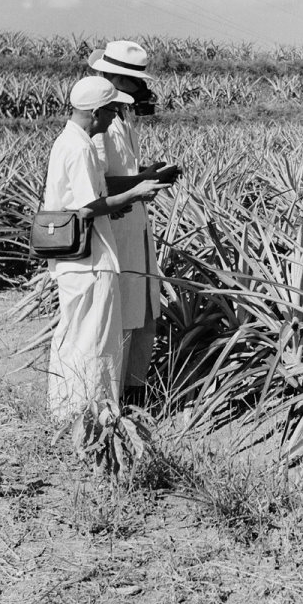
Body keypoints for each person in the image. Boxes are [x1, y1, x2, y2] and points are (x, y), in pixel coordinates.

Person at [43, 75, 166, 420]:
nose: (115, 117)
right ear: (96, 111)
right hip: (90, 258)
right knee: (94, 340)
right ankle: (92, 413)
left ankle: (67, 409)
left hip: (77, 258)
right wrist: (134, 194)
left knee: (75, 335)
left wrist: (119, 200)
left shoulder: (68, 141)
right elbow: (85, 206)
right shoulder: (81, 147)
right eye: (111, 110)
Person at [87, 40, 171, 405]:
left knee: (140, 312)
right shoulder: (102, 123)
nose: (141, 88)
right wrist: (142, 183)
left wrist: (146, 175)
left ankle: (132, 396)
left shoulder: (122, 119)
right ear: (115, 77)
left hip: (132, 226)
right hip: (115, 229)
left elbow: (124, 174)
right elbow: (100, 183)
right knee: (120, 315)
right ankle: (111, 401)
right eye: (134, 81)